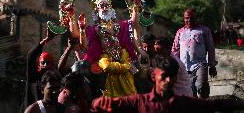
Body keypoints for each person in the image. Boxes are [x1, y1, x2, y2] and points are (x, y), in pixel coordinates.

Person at [91, 55, 244, 113]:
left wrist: (236, 103)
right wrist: (100, 102)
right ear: (153, 77)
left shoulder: (183, 103)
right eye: (164, 77)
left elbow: (213, 105)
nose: (169, 81)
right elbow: (112, 103)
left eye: (172, 77)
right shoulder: (139, 102)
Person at [67, 0, 141, 97]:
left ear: (111, 9)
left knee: (132, 93)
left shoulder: (119, 25)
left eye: (107, 5)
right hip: (104, 64)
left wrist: (135, 6)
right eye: (101, 6)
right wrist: (73, 17)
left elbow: (133, 22)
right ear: (97, 10)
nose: (105, 8)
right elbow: (78, 38)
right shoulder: (94, 29)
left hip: (123, 60)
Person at [171, 8, 217, 99]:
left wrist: (212, 65)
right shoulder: (180, 32)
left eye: (192, 18)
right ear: (184, 19)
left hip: (200, 65)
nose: (189, 20)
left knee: (202, 86)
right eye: (187, 18)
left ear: (196, 18)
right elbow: (175, 50)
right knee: (190, 92)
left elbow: (211, 48)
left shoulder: (204, 30)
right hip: (184, 68)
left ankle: (204, 106)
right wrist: (174, 66)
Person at [24, 28, 56, 109]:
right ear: (38, 64)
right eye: (43, 62)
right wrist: (46, 40)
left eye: (48, 63)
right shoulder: (33, 78)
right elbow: (30, 56)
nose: (45, 65)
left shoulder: (55, 81)